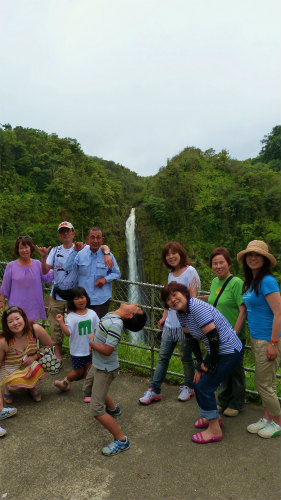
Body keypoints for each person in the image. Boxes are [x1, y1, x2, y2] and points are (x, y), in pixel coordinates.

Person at [161, 281, 243, 444]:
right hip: (217, 351)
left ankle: (214, 430)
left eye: (175, 294)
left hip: (229, 351)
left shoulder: (196, 307)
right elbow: (191, 339)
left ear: (183, 293)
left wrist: (210, 363)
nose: (173, 300)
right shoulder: (181, 313)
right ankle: (212, 417)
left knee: (204, 386)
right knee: (198, 381)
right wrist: (200, 364)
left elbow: (214, 336)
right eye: (169, 299)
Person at [37, 221, 112, 364]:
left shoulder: (83, 248)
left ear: (73, 233)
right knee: (56, 326)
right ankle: (58, 354)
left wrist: (107, 252)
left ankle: (80, 355)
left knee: (78, 325)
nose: (66, 233)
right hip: (57, 294)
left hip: (75, 296)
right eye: (63, 231)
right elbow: (45, 271)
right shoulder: (55, 251)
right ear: (59, 235)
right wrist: (43, 257)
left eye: (68, 231)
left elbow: (98, 245)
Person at [139, 241, 201, 404]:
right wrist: (164, 316)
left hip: (184, 326)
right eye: (167, 254)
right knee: (163, 357)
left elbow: (193, 300)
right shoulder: (171, 274)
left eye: (174, 253)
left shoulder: (190, 272)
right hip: (170, 325)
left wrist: (189, 323)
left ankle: (189, 386)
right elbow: (168, 299)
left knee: (186, 358)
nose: (171, 257)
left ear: (180, 253)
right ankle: (154, 389)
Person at [83, 302, 147, 456]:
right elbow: (100, 332)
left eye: (137, 308)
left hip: (105, 369)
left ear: (130, 315)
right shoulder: (112, 314)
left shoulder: (116, 324)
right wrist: (94, 339)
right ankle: (113, 409)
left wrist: (91, 342)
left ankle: (122, 440)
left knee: (96, 409)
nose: (135, 303)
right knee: (88, 389)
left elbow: (107, 350)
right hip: (97, 364)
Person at [237, 240, 281, 439]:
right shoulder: (251, 281)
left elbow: (279, 312)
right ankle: (267, 419)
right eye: (249, 255)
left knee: (262, 383)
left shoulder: (267, 281)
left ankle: (278, 422)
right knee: (268, 383)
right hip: (257, 338)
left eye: (257, 255)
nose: (253, 258)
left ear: (264, 259)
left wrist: (274, 343)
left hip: (268, 339)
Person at [200, 247, 246, 417]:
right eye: (214, 263)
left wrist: (235, 332)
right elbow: (214, 297)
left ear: (229, 264)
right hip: (217, 335)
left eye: (221, 262)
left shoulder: (237, 283)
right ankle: (224, 399)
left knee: (236, 370)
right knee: (222, 368)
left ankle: (237, 402)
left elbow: (243, 309)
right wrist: (197, 299)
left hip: (234, 334)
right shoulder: (214, 282)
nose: (218, 266)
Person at [64, 226, 121, 319]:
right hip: (82, 300)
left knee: (98, 329)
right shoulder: (80, 253)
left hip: (101, 300)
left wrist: (105, 279)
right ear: (87, 239)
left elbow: (117, 273)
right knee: (83, 328)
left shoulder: (108, 256)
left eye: (98, 237)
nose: (95, 240)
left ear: (102, 240)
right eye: (92, 237)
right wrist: (74, 251)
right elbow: (67, 267)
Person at [0, 306, 53, 403]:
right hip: (11, 369)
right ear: (6, 325)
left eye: (17, 318)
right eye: (10, 321)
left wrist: (35, 356)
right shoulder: (4, 341)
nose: (15, 323)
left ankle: (31, 387)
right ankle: (8, 388)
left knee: (37, 366)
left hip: (29, 363)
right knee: (13, 384)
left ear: (23, 318)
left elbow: (49, 345)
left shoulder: (34, 329)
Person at [54, 286, 99, 394]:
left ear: (86, 298)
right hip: (77, 351)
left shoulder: (92, 313)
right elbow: (68, 333)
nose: (80, 300)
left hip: (90, 350)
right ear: (72, 301)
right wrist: (61, 322)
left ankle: (88, 392)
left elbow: (97, 328)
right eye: (77, 298)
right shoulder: (71, 317)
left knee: (89, 371)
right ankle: (64, 383)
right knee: (78, 371)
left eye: (82, 297)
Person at [0, 236, 53, 321]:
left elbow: (47, 277)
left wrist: (57, 268)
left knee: (32, 331)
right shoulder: (11, 266)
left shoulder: (37, 264)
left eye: (26, 247)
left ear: (30, 248)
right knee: (17, 330)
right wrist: (1, 301)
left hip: (33, 307)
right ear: (17, 250)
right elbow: (5, 286)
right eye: (21, 248)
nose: (24, 250)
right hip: (16, 307)